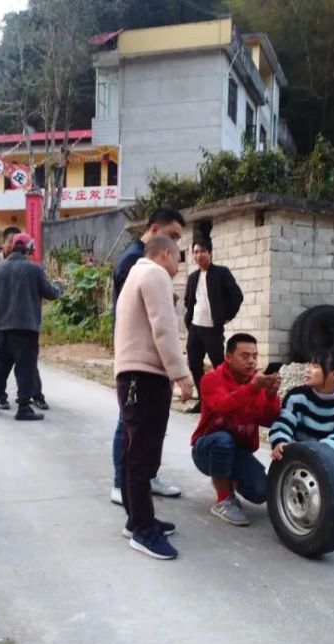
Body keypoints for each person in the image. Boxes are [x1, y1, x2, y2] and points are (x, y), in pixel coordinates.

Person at [115, 234, 194, 559]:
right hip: (145, 376)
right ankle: (143, 532)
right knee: (143, 457)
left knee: (136, 452)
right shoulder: (155, 274)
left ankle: (137, 520)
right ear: (165, 254)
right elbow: (164, 329)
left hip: (134, 375)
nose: (179, 266)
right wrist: (182, 374)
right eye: (179, 257)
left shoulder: (136, 273)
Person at [109, 207, 187, 506]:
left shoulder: (139, 263)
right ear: (155, 231)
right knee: (131, 434)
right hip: (138, 365)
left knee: (139, 437)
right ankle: (125, 488)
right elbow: (159, 326)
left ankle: (139, 488)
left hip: (139, 363)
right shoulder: (140, 265)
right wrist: (179, 374)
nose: (177, 246)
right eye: (174, 237)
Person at [190, 333, 281, 527]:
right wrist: (252, 389)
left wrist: (272, 395)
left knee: (261, 492)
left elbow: (269, 420)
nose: (251, 361)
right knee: (223, 440)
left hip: (239, 451)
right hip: (206, 449)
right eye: (245, 355)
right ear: (228, 357)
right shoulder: (211, 379)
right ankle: (224, 499)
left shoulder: (258, 381)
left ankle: (228, 479)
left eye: (255, 356)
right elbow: (223, 406)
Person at [0, 234, 62, 421]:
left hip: (2, 329)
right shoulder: (34, 270)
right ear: (29, 249)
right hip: (26, 329)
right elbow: (50, 293)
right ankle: (24, 407)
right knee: (25, 369)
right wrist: (59, 286)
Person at [268, 350, 334, 483]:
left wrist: (315, 454)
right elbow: (283, 424)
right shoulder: (296, 396)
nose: (308, 370)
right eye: (309, 365)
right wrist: (280, 441)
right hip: (300, 459)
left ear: (333, 374)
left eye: (315, 367)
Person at [183, 237, 244, 413]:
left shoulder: (221, 273)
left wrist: (225, 317)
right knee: (194, 364)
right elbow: (189, 301)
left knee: (219, 365)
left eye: (202, 251)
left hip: (212, 329)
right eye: (195, 252)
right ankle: (204, 402)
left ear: (210, 253)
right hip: (195, 328)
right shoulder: (193, 277)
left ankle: (227, 399)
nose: (198, 255)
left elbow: (237, 297)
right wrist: (190, 319)